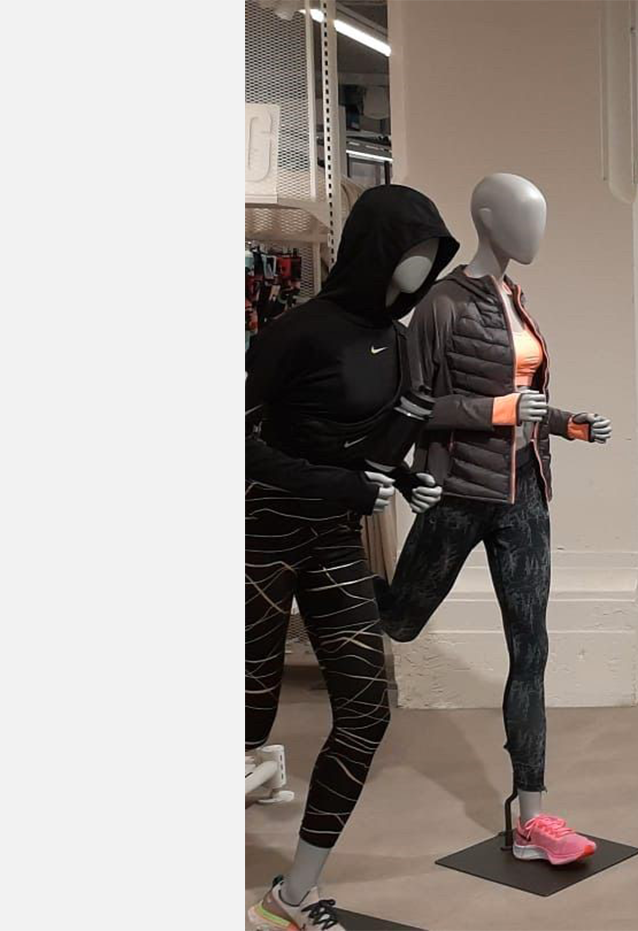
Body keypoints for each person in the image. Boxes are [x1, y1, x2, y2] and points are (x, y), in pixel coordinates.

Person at [378, 172, 614, 870]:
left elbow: (525, 398)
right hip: (459, 491)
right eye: (523, 216)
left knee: (530, 648)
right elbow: (415, 404)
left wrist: (567, 423)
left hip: (524, 494)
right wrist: (500, 412)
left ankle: (532, 813)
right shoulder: (444, 304)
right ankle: (329, 595)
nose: (535, 232)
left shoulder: (514, 298)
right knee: (400, 618)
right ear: (486, 218)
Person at [246, 184, 455, 931]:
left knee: (365, 713)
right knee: (243, 717)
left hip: (333, 540)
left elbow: (360, 446)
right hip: (261, 537)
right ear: (376, 250)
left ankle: (292, 896)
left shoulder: (393, 341)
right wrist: (341, 484)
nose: (423, 265)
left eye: (432, 252)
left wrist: (404, 475)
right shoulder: (297, 332)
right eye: (412, 250)